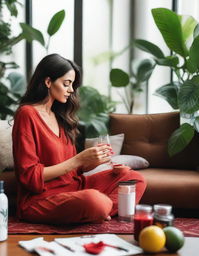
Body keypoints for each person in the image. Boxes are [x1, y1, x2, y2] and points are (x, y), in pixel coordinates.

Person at [12, 53, 146, 224]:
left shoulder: (60, 116)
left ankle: (100, 211)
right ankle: (99, 208)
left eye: (73, 85)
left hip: (76, 188)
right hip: (41, 199)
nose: (71, 90)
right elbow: (29, 176)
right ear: (47, 82)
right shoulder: (27, 114)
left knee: (133, 179)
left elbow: (72, 170)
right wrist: (78, 160)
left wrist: (92, 161)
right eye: (66, 84)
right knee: (93, 201)